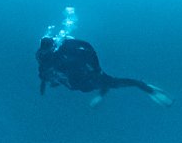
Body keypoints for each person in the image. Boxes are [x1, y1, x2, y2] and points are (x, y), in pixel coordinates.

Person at [36, 35, 172, 106]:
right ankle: (102, 92)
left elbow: (88, 50)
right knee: (103, 84)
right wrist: (45, 84)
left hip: (89, 76)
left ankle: (150, 90)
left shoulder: (68, 49)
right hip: (79, 83)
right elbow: (43, 72)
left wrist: (96, 69)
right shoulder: (43, 58)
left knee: (111, 83)